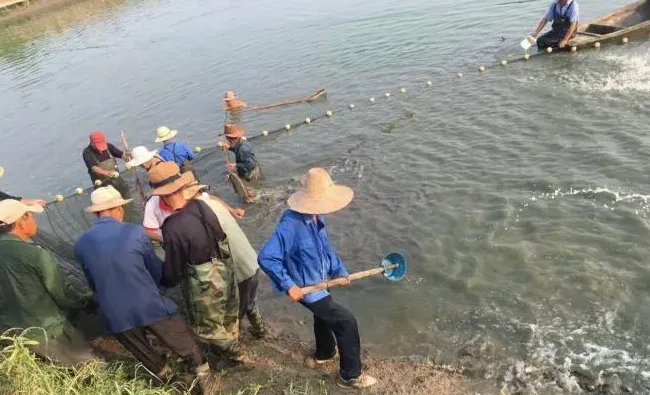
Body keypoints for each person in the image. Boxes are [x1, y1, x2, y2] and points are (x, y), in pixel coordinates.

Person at [74, 186, 219, 392]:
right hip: (147, 304)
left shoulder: (80, 244)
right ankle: (204, 377)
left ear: (97, 213)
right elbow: (156, 271)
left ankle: (172, 383)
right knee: (185, 342)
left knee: (146, 354)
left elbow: (93, 283)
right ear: (118, 209)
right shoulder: (134, 232)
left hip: (114, 316)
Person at [257, 168, 377, 389]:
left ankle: (324, 353)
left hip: (320, 281)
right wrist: (288, 285)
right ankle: (349, 375)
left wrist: (339, 270)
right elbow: (267, 257)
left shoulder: (315, 217)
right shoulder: (290, 225)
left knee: (323, 316)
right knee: (346, 322)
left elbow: (325, 250)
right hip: (306, 288)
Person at [151, 163, 241, 359]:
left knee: (207, 329)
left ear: (162, 196)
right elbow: (219, 236)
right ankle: (233, 340)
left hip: (204, 282)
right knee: (229, 314)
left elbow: (173, 272)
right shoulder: (201, 206)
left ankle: (238, 354)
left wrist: (162, 281)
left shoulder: (172, 226)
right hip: (225, 269)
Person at [0, 199, 95, 365]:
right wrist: (84, 302)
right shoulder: (35, 254)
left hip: (13, 337)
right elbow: (60, 295)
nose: (34, 221)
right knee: (88, 368)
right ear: (21, 223)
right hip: (49, 331)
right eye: (30, 216)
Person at [143, 164, 245, 242]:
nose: (174, 195)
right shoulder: (152, 205)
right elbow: (148, 231)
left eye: (176, 191)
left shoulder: (188, 191)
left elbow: (210, 197)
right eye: (169, 194)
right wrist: (166, 239)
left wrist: (232, 210)